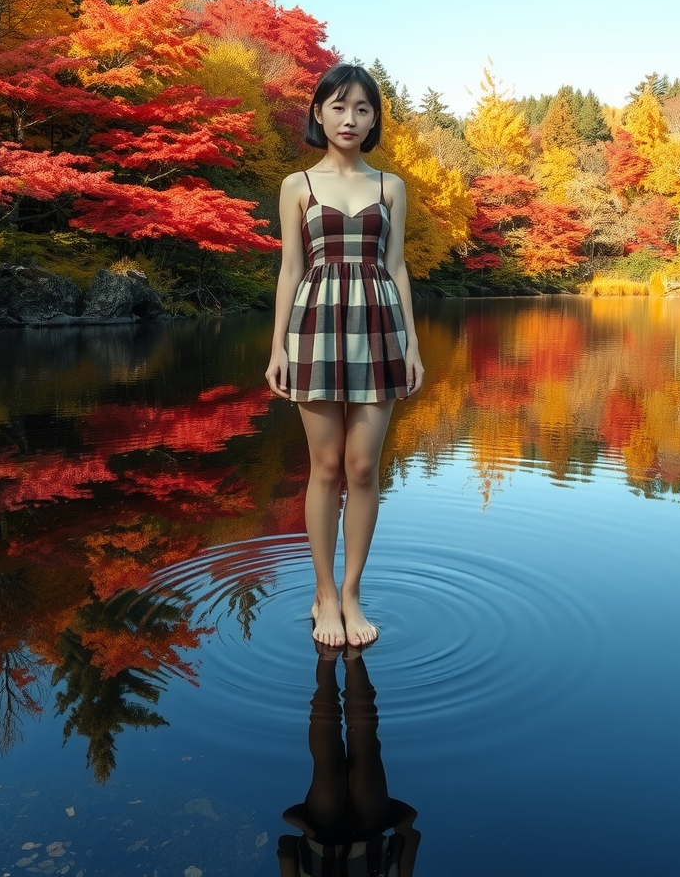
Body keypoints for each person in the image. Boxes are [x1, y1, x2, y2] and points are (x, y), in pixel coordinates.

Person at [265, 64, 424, 648]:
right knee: (325, 468)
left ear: (374, 118)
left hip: (378, 328)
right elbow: (290, 270)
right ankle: (324, 595)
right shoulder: (296, 186)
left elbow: (399, 267)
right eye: (338, 106)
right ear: (317, 113)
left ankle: (352, 592)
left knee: (362, 468)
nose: (349, 118)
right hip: (312, 330)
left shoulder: (391, 186)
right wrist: (277, 346)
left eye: (362, 108)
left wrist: (411, 344)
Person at [277, 646, 421, 877]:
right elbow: (285, 848)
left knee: (364, 753)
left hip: (368, 824)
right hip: (324, 828)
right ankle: (329, 654)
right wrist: (313, 834)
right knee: (328, 764)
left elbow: (410, 834)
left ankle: (350, 654)